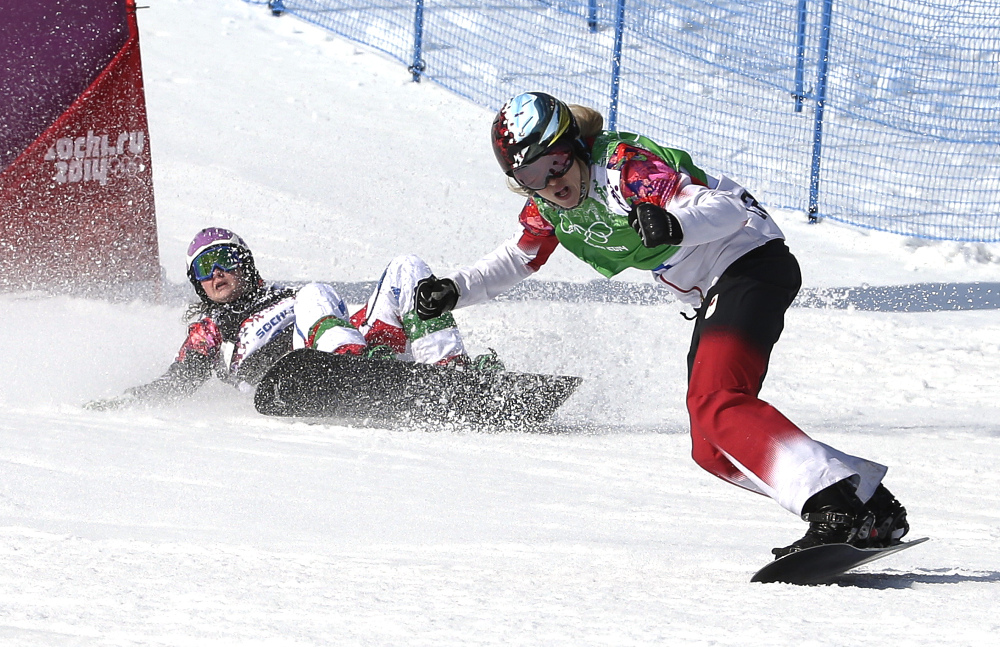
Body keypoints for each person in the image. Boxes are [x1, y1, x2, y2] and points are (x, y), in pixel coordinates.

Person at [412, 91, 909, 557]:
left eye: (556, 162)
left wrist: (677, 222)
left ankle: (833, 508)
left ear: (575, 146)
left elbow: (728, 209)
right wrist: (457, 288)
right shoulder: (550, 203)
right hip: (717, 284)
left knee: (719, 405)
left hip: (747, 261)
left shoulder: (627, 168)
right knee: (711, 445)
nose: (552, 182)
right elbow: (521, 257)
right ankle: (867, 504)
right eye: (533, 176)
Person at [87, 227, 499, 410]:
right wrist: (125, 400)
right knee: (315, 293)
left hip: (356, 352)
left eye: (226, 260)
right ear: (197, 284)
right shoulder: (211, 328)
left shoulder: (287, 298)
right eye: (204, 268)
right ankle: (351, 364)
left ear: (245, 263)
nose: (217, 273)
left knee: (406, 267)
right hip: (289, 377)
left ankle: (449, 373)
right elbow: (178, 382)